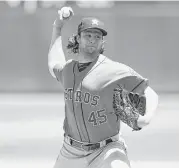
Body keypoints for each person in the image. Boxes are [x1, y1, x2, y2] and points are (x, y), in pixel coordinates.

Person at [48, 7, 158, 168]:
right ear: (78, 38)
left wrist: (146, 118)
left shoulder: (114, 70)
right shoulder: (68, 70)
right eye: (88, 35)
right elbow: (52, 63)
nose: (92, 39)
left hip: (107, 150)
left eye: (97, 36)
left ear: (102, 42)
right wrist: (58, 26)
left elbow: (149, 91)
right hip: (70, 151)